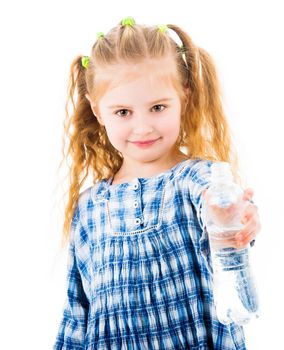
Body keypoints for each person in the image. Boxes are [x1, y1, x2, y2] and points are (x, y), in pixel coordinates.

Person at [53, 17, 261, 349]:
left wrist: (233, 216)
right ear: (97, 109)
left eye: (158, 107)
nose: (143, 127)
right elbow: (77, 312)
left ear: (184, 99)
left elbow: (220, 206)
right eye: (123, 112)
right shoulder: (90, 206)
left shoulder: (196, 179)